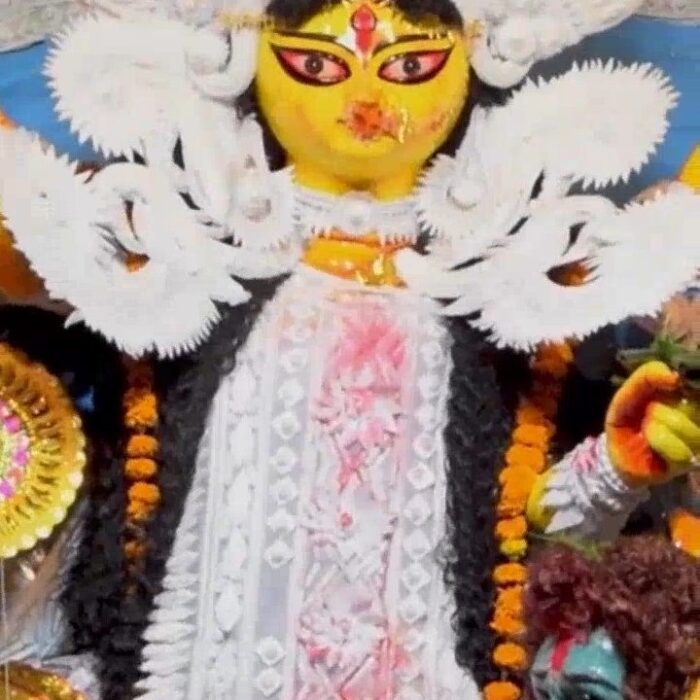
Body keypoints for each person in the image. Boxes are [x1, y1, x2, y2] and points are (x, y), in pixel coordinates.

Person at [0, 1, 699, 699]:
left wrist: (615, 469)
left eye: (410, 66)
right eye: (317, 65)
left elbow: (521, 546)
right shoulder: (189, 268)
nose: (366, 100)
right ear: (248, 56)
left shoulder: (499, 304)